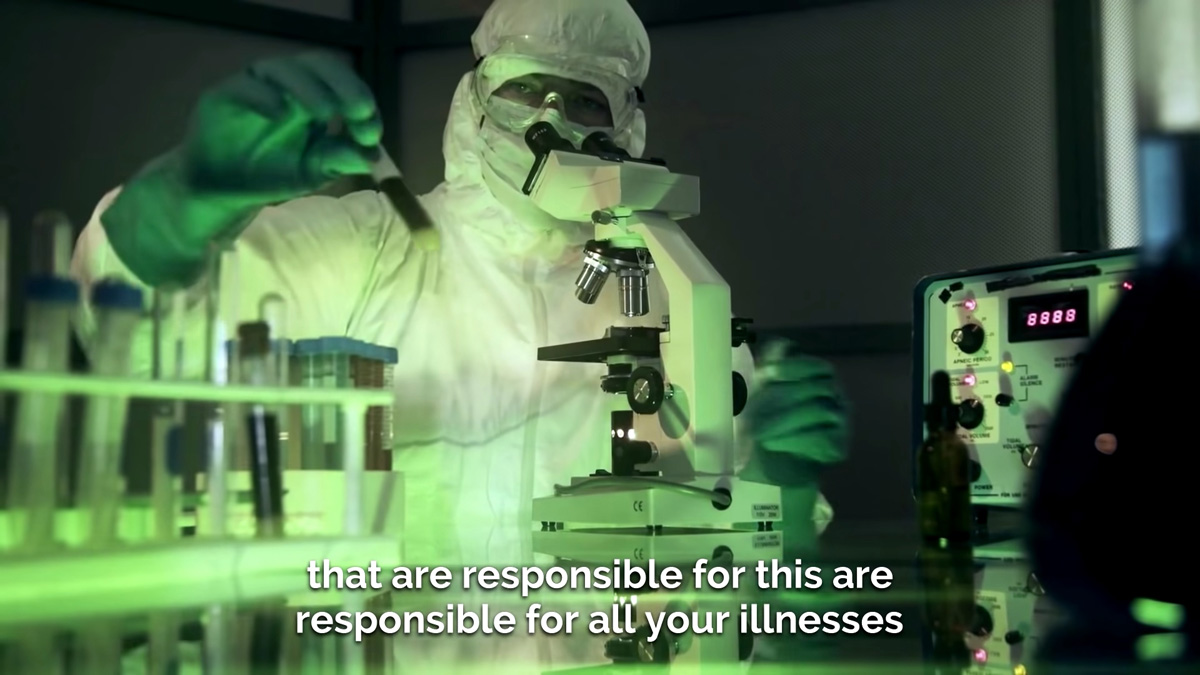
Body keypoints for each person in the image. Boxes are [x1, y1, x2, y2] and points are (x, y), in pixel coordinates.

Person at [71, 0, 848, 564]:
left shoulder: (666, 290)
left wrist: (781, 464)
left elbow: (755, 541)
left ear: (624, 129)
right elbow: (134, 323)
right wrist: (187, 195)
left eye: (586, 99)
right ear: (473, 101)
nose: (554, 117)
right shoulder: (374, 245)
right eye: (526, 89)